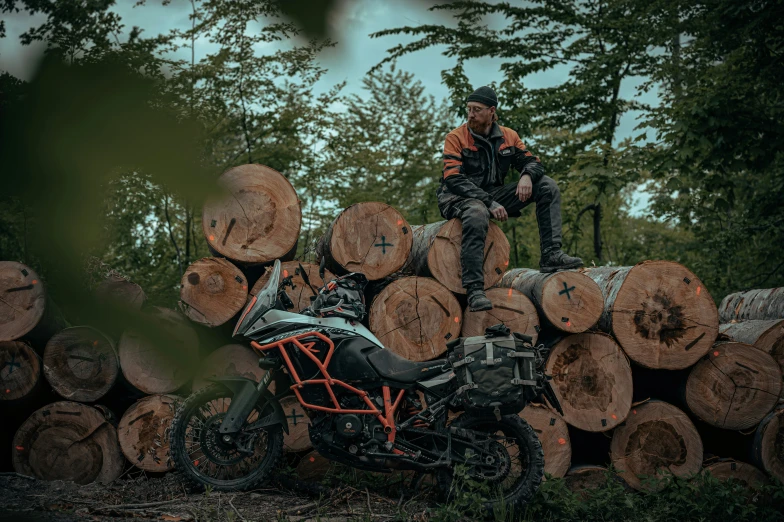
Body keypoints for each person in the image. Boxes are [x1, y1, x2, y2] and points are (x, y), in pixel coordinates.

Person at [438, 86, 583, 312]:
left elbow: (534, 162)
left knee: (546, 185)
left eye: (477, 109)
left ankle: (551, 255)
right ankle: (475, 289)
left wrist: (526, 175)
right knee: (477, 212)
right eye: (469, 109)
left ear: (491, 111)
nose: (471, 114)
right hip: (457, 197)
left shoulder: (508, 136)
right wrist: (489, 202)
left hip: (492, 196)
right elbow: (453, 178)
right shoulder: (455, 137)